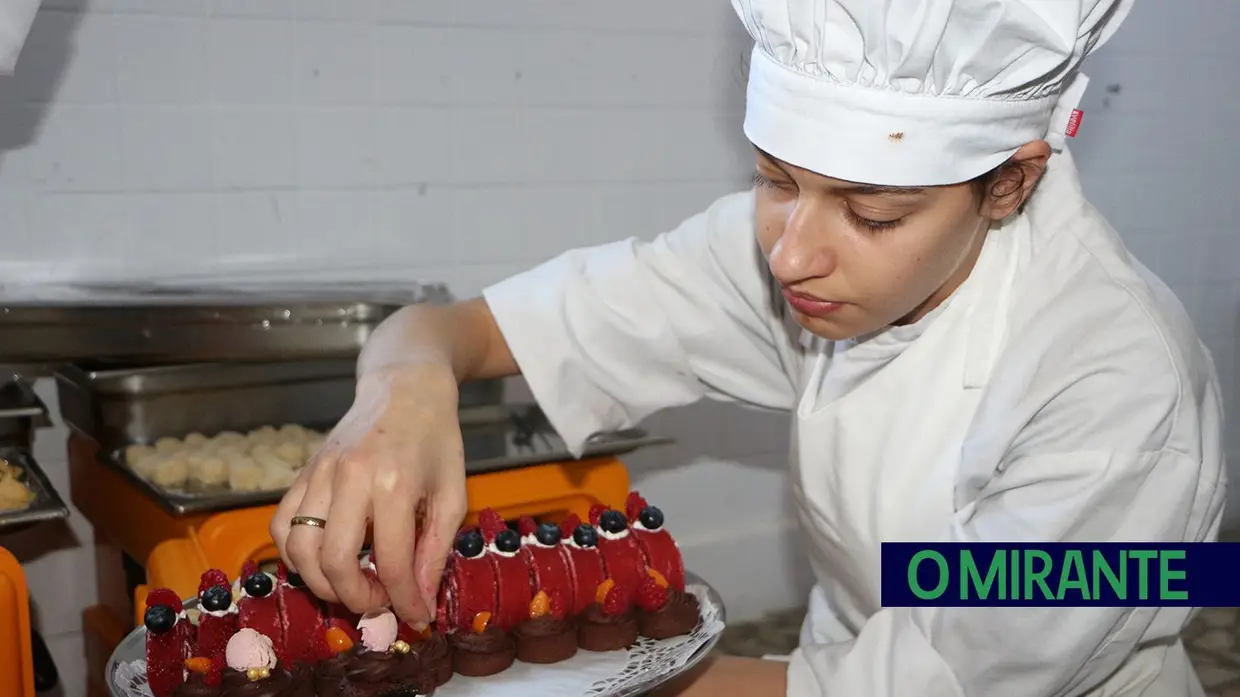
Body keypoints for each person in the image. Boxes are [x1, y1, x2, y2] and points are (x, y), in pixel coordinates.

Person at [274, 0, 1228, 694]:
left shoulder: (1117, 391)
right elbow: (474, 328)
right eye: (777, 178)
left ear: (1011, 184)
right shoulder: (798, 256)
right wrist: (400, 388)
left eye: (873, 212)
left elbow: (931, 679)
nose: (792, 252)